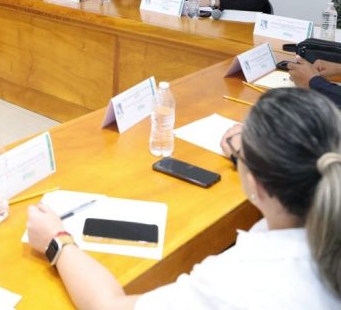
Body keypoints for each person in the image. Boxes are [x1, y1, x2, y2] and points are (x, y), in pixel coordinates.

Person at [27, 88, 341, 309]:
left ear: (256, 184)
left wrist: (58, 241)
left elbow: (109, 306)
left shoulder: (238, 281)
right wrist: (246, 155)